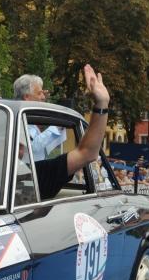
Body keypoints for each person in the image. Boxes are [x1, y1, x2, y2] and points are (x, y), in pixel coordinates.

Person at [32, 64, 110, 199]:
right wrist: (102, 104)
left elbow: (86, 153)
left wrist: (102, 103)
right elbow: (86, 153)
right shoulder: (32, 174)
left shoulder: (35, 172)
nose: (44, 97)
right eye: (39, 93)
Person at [13, 74, 65, 161]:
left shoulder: (26, 116)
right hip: (26, 171)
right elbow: (32, 146)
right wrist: (56, 128)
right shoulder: (19, 117)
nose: (43, 97)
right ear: (27, 97)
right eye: (39, 93)